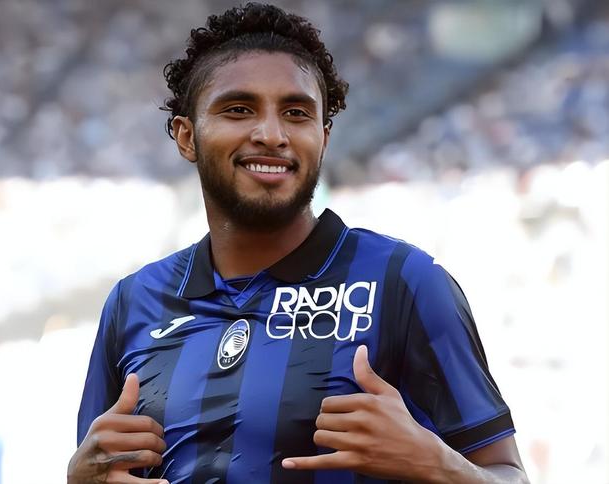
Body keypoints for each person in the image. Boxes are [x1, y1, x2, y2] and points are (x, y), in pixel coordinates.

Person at [68, 3, 529, 483]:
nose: (272, 135)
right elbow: (100, 467)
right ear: (187, 137)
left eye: (296, 113)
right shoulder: (133, 301)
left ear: (323, 137)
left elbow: (509, 475)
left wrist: (435, 463)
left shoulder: (404, 282)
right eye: (239, 109)